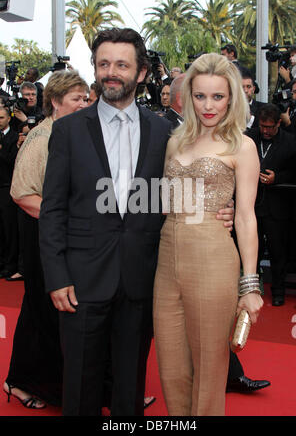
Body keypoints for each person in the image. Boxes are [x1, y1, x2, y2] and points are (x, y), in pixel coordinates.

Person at [38, 28, 235, 417]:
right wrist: (56, 275)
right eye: (103, 64)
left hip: (143, 278)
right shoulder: (68, 130)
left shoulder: (166, 133)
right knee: (79, 385)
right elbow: (53, 209)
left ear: (141, 72)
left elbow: (181, 191)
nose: (111, 72)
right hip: (81, 280)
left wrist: (218, 212)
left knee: (131, 388)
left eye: (121, 64)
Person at [153, 52, 264, 416]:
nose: (208, 105)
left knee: (210, 369)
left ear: (232, 97)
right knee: (171, 368)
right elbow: (165, 201)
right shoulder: (174, 142)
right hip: (167, 259)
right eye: (200, 96)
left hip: (214, 258)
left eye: (218, 96)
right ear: (187, 97)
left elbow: (246, 217)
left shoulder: (242, 146)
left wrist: (250, 286)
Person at [3, 70, 89, 409]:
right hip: (42, 236)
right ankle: (21, 383)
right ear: (55, 102)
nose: (84, 104)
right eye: (77, 99)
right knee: (41, 312)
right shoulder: (42, 137)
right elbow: (21, 193)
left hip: (64, 236)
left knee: (57, 315)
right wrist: (66, 219)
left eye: (86, 98)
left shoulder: (75, 134)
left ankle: (64, 385)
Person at [247, 104, 296, 306]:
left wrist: (277, 178)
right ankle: (250, 290)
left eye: (270, 127)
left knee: (278, 252)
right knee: (252, 252)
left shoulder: (289, 141)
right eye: (262, 126)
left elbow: (294, 172)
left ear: (278, 123)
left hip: (278, 207)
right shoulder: (249, 137)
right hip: (252, 206)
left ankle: (278, 291)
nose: (266, 130)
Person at [0, 107, 22, 281]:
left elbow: (12, 162)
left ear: (9, 119)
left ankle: (10, 264)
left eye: (1, 117)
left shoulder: (15, 138)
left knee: (9, 229)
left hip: (8, 188)